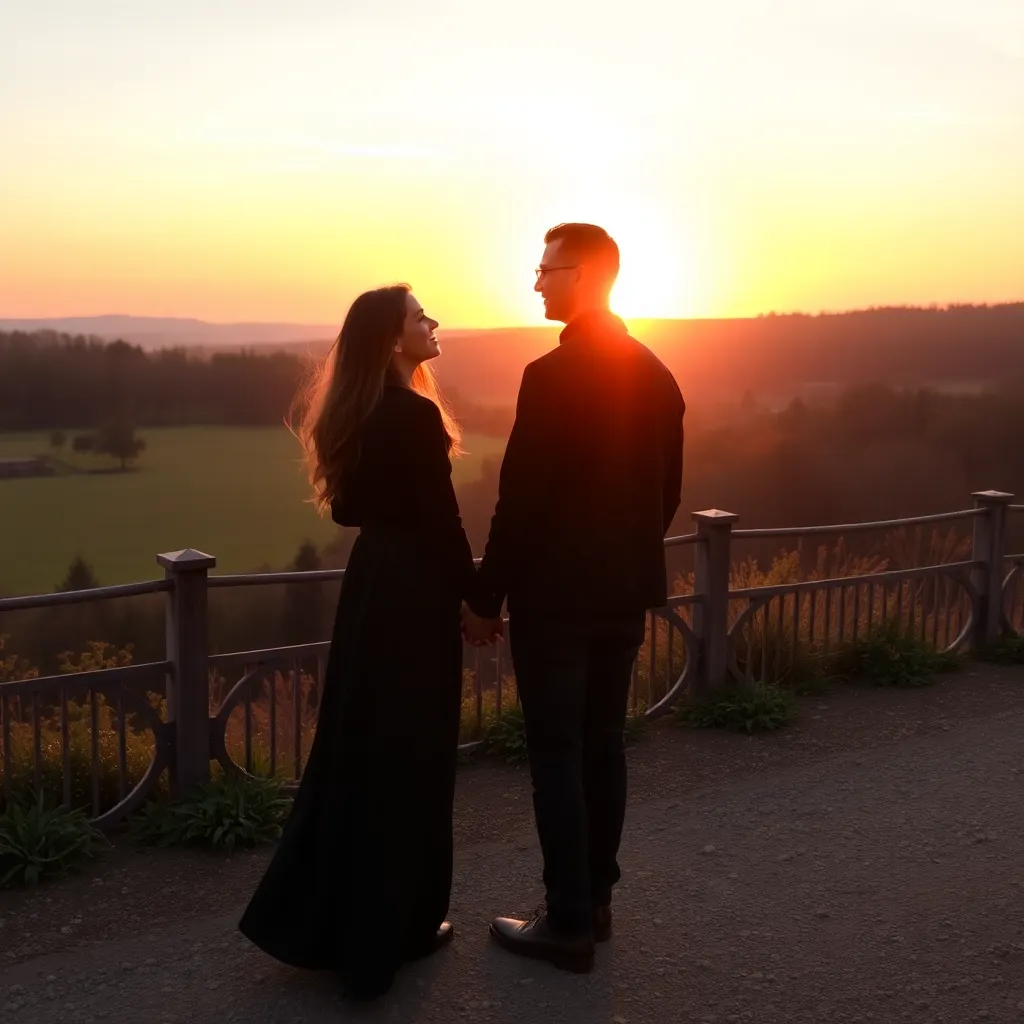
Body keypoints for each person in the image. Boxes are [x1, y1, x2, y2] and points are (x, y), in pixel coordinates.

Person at [239, 285, 478, 1001]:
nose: (434, 323)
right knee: (411, 755)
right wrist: (479, 597)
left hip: (373, 587)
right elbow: (444, 520)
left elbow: (348, 509)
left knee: (360, 749)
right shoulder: (412, 413)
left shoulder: (361, 411)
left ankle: (334, 924)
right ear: (391, 338)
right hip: (415, 595)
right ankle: (392, 934)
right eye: (419, 317)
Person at [463, 223, 685, 973]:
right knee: (601, 744)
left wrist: (487, 594)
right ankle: (595, 904)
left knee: (556, 752)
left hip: (558, 597)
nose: (535, 283)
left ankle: (564, 924)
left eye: (546, 268)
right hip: (623, 592)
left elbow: (520, 500)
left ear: (585, 274)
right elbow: (667, 497)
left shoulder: (552, 377)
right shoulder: (655, 374)